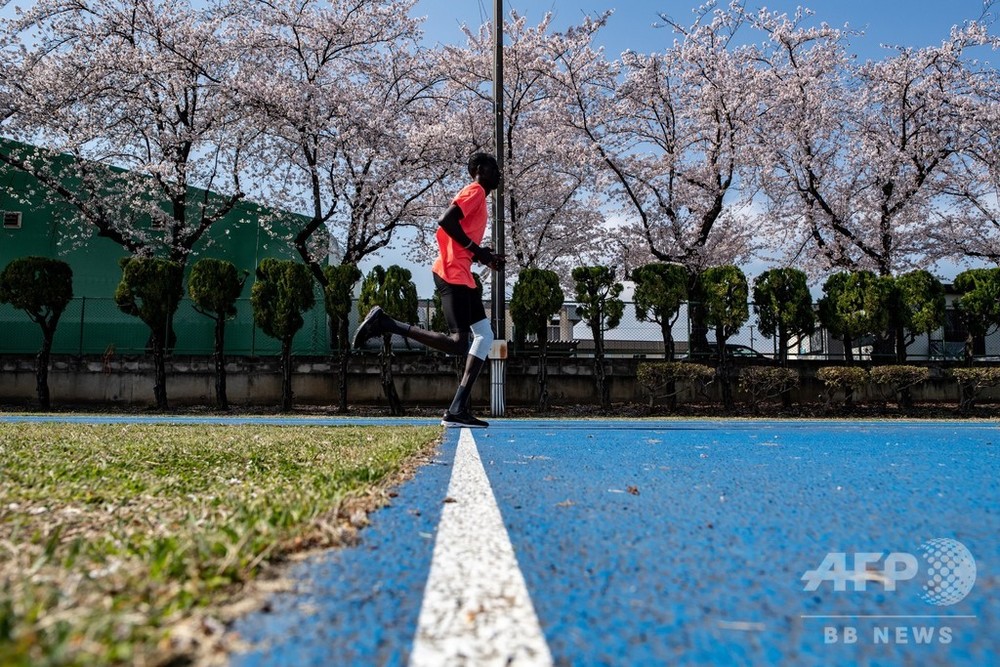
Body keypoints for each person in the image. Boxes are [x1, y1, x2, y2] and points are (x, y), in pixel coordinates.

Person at [353, 152, 504, 428]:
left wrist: (483, 257)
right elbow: (446, 221)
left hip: (462, 273)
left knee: (484, 334)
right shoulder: (476, 191)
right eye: (494, 168)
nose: (499, 173)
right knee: (459, 343)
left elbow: (460, 238)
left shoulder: (479, 195)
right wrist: (476, 251)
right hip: (452, 273)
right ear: (480, 169)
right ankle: (386, 322)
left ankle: (457, 408)